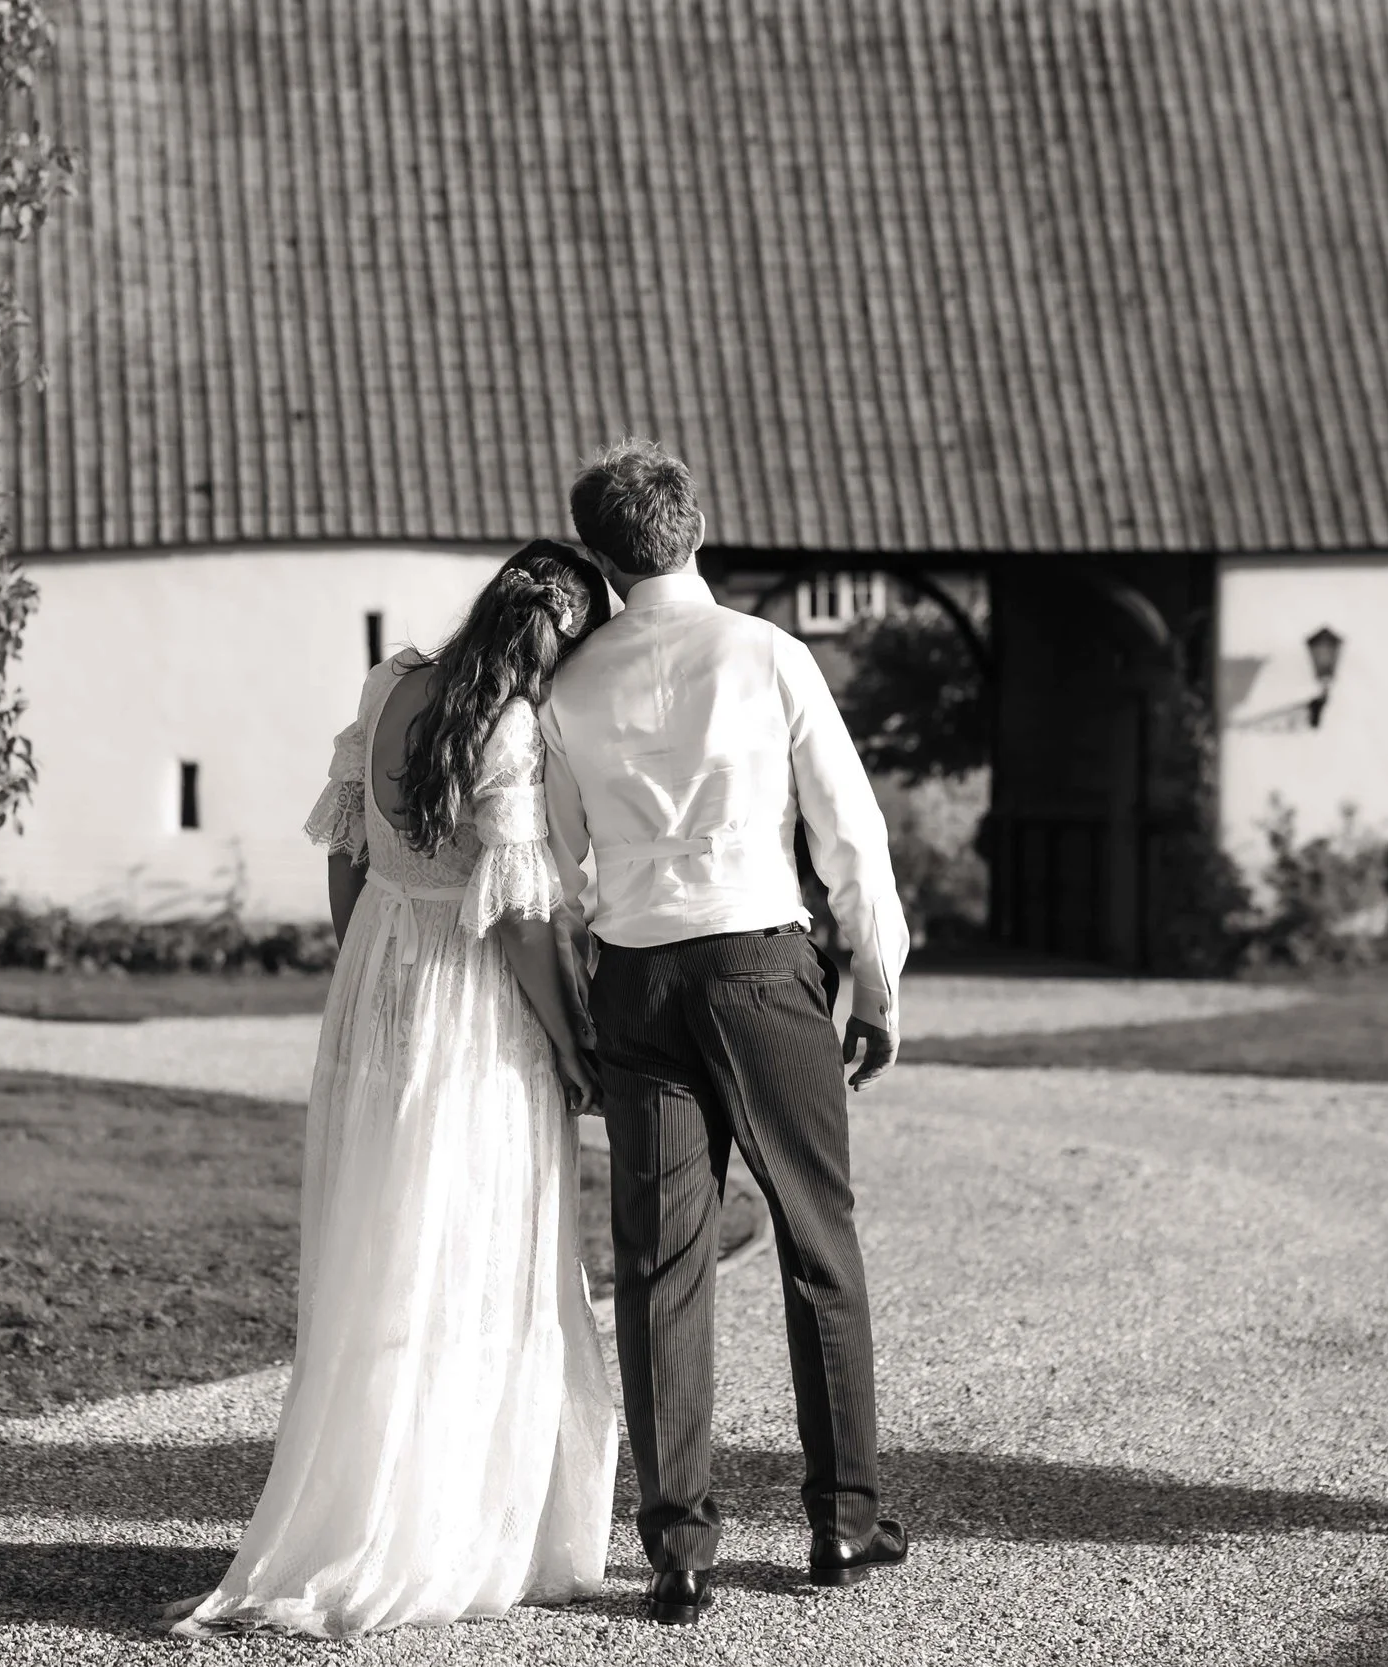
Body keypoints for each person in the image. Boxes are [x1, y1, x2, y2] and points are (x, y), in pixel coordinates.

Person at [167, 539, 618, 1639]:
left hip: (376, 977)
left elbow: (342, 856)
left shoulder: (389, 684)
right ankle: (446, 1523)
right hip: (473, 1007)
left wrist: (369, 960)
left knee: (381, 1238)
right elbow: (514, 920)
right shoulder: (510, 727)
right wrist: (571, 1045)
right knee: (467, 1239)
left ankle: (356, 1502)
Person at [540, 439, 912, 1627]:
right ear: (695, 527)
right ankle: (843, 1521)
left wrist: (577, 1005)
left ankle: (678, 1551)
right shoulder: (767, 653)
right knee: (819, 1241)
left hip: (637, 978)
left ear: (598, 554)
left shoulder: (569, 682)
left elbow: (551, 868)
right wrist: (880, 985)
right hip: (758, 963)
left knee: (659, 1269)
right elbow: (849, 832)